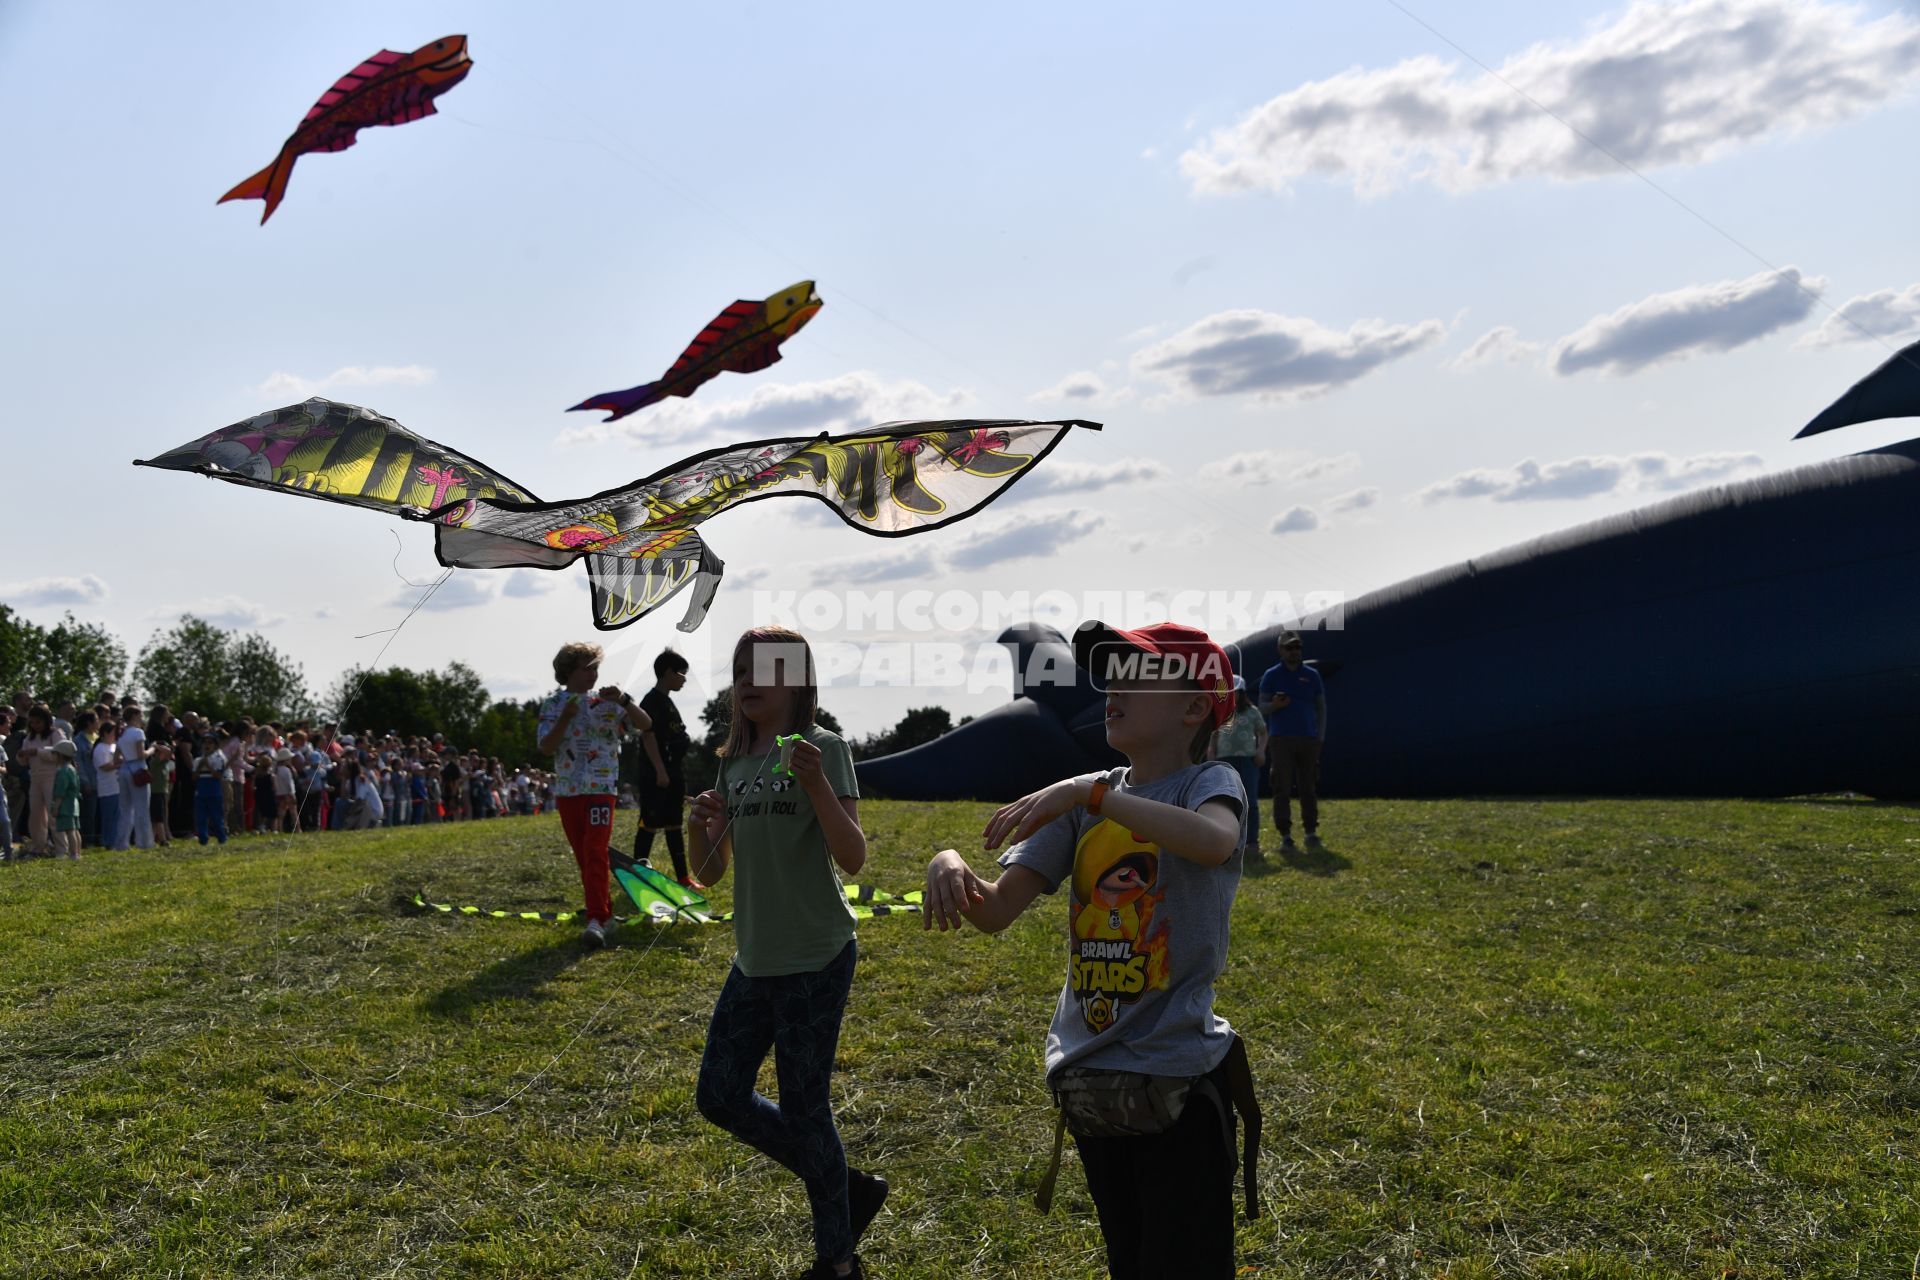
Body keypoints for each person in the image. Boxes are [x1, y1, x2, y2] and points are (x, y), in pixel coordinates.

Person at [923, 621, 1258, 1280]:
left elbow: (1215, 842)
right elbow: (994, 912)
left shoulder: (1208, 782)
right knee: (1131, 1262)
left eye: (1138, 675)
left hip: (1180, 1084)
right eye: (1110, 674)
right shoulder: (1083, 800)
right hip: (1094, 1086)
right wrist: (948, 860)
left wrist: (1093, 794)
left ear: (1195, 707)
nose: (1112, 688)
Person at [687, 626, 882, 1280]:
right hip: (754, 958)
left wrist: (819, 786)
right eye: (739, 670)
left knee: (805, 1108)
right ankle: (843, 1186)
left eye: (762, 670)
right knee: (717, 1094)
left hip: (816, 954)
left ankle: (838, 1260)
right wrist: (702, 829)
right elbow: (709, 874)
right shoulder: (733, 760)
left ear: (796, 680)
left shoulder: (825, 749)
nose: (746, 682)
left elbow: (853, 858)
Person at [536, 641, 649, 947]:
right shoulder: (552, 705)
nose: (593, 674)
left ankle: (597, 918)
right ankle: (602, 912)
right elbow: (546, 747)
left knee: (596, 850)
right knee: (584, 855)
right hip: (569, 792)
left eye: (595, 667)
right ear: (568, 671)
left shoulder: (608, 702)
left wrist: (625, 700)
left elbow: (645, 724)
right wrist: (565, 718)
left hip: (602, 789)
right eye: (586, 668)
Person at [634, 648, 698, 887]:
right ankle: (638, 875)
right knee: (648, 823)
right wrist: (660, 771)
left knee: (674, 824)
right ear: (669, 672)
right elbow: (647, 737)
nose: (684, 678)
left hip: (672, 771)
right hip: (656, 774)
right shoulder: (650, 701)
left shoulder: (667, 701)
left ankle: (683, 878)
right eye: (682, 673)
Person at [1259, 631, 1327, 852]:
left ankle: (1311, 832)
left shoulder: (1312, 675)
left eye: (1297, 647)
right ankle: (1285, 835)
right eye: (1289, 648)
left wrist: (1320, 736)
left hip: (1308, 738)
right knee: (1282, 786)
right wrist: (1275, 706)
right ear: (1280, 650)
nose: (1294, 652)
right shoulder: (1271, 675)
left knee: (1309, 786)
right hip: (1281, 739)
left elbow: (1321, 707)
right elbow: (1262, 707)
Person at [1208, 676, 1268, 861]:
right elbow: (1213, 735)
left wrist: (1260, 751)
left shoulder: (1252, 712)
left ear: (1242, 693)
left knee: (1250, 800)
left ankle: (1252, 842)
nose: (1232, 696)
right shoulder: (1221, 712)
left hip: (1247, 760)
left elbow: (1263, 732)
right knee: (1227, 801)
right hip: (1225, 760)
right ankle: (1231, 841)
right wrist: (1211, 754)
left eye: (1236, 693)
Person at [21, 704, 70, 855]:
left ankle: (62, 849)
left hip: (52, 776)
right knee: (35, 816)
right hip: (35, 778)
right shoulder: (29, 737)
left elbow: (60, 755)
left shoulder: (55, 734)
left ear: (46, 720)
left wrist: (38, 752)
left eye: (38, 722)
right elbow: (24, 762)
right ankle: (39, 847)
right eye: (32, 722)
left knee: (54, 814)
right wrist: (22, 755)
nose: (35, 726)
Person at [117, 700, 154, 850]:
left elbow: (116, 758)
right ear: (134, 716)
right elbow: (141, 754)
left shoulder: (122, 734)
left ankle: (122, 842)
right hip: (137, 768)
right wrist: (152, 749)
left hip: (124, 768)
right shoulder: (138, 732)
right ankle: (144, 842)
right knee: (142, 808)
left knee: (125, 808)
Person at [192, 733, 228, 845]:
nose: (207, 745)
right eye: (205, 742)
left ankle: (221, 837)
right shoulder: (197, 760)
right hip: (201, 788)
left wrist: (207, 764)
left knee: (216, 816)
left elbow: (218, 776)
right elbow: (194, 777)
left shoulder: (218, 759)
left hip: (213, 789)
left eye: (210, 743)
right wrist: (200, 766)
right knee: (201, 817)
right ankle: (203, 838)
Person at [94, 720, 123, 851]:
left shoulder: (113, 746)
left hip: (117, 786)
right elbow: (104, 766)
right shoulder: (100, 748)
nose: (115, 735)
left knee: (117, 816)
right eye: (113, 733)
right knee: (109, 817)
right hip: (107, 788)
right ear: (105, 733)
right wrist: (120, 764)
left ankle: (116, 840)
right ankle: (108, 841)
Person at [50, 740, 82, 859]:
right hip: (74, 804)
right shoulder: (73, 769)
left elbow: (60, 792)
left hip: (66, 805)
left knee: (70, 830)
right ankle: (78, 852)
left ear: (60, 755)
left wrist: (56, 807)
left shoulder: (63, 771)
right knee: (76, 830)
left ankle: (73, 854)